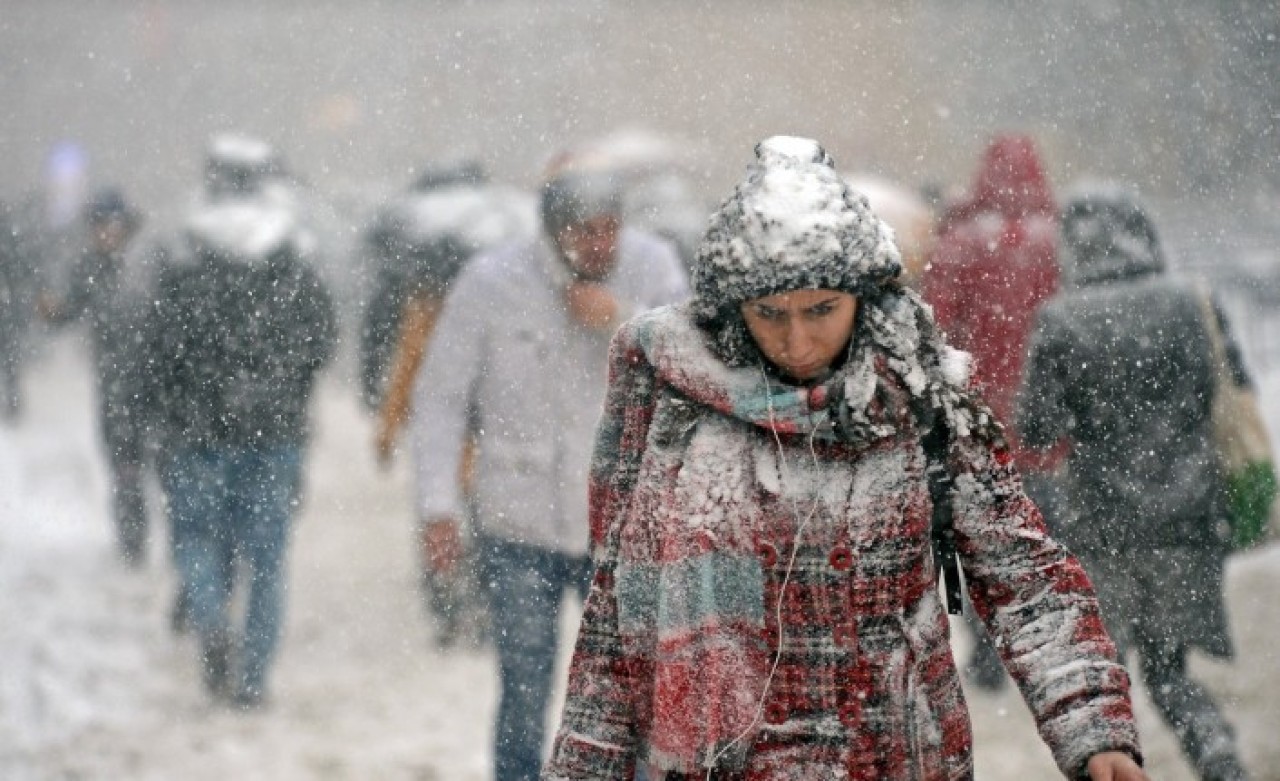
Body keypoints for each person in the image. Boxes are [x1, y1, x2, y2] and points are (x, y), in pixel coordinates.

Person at [542, 137, 1147, 781]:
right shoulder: (678, 408)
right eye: (770, 313)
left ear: (863, 296)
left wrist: (1095, 727)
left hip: (893, 756)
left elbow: (1024, 574)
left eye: (821, 310)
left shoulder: (920, 401)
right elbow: (618, 624)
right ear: (732, 308)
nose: (797, 339)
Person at [410, 167, 688, 781]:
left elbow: (692, 362)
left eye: (609, 229)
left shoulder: (652, 266)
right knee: (524, 686)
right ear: (550, 232)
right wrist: (437, 507)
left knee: (631, 692)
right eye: (583, 231)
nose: (599, 244)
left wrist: (622, 318)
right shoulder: (491, 282)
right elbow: (439, 400)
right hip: (517, 523)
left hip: (621, 525)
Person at [1018, 184, 1253, 781]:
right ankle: (1220, 760)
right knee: (1170, 671)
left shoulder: (1062, 319)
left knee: (1101, 681)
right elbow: (1218, 391)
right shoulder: (1187, 300)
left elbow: (1038, 428)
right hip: (1189, 515)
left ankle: (1108, 769)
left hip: (1105, 523)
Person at [140, 190, 336, 709]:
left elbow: (156, 349)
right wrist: (285, 389)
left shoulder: (185, 260)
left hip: (195, 432)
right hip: (273, 434)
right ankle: (253, 679)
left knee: (196, 540)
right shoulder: (291, 261)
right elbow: (322, 342)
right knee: (267, 561)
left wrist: (169, 408)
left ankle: (209, 619)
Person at [920, 134, 1066, 691]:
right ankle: (1044, 647)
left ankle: (987, 655)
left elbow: (933, 326)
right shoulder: (1058, 242)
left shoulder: (959, 241)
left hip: (980, 420)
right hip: (1046, 422)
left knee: (984, 540)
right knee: (1042, 539)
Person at [368, 173, 537, 649]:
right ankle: (485, 608)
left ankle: (447, 608)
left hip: (452, 433)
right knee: (487, 523)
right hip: (497, 432)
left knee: (441, 518)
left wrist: (387, 427)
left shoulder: (426, 302)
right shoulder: (507, 299)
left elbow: (407, 368)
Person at [39, 188, 151, 563]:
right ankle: (132, 537)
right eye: (99, 226)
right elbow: (67, 309)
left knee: (161, 464)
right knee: (123, 462)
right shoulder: (89, 266)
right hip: (115, 381)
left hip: (157, 380)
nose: (105, 233)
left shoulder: (148, 263)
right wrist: (51, 311)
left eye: (111, 225)